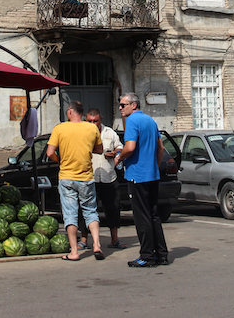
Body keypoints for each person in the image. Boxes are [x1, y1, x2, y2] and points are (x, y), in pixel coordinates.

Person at [114, 92, 169, 268]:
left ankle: (146, 255)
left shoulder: (132, 121)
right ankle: (161, 254)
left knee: (141, 217)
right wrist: (154, 165)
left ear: (134, 105)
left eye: (123, 105)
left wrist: (119, 158)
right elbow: (160, 148)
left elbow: (130, 147)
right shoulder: (150, 121)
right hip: (152, 175)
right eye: (120, 105)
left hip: (137, 175)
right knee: (153, 215)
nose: (120, 108)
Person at [45, 100, 104, 261]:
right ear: (82, 114)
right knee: (91, 211)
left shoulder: (60, 128)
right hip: (86, 177)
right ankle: (97, 245)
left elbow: (50, 153)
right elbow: (99, 149)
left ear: (70, 111)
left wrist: (60, 160)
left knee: (70, 215)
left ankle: (74, 252)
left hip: (67, 177)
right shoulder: (92, 127)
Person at [79, 108, 128, 251]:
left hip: (108, 177)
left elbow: (120, 147)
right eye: (89, 121)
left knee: (112, 208)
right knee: (86, 210)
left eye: (96, 121)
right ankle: (84, 239)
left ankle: (115, 239)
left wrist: (116, 154)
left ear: (101, 119)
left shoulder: (110, 133)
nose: (93, 124)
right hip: (89, 177)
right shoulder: (82, 133)